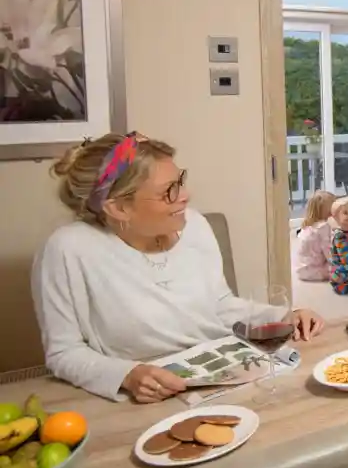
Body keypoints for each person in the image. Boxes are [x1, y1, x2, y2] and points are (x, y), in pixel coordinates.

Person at [31, 132, 327, 403]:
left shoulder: (195, 225)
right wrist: (127, 375)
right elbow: (63, 353)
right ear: (119, 207)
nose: (185, 195)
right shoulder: (68, 250)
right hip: (144, 400)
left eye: (180, 181)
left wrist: (283, 316)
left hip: (219, 375)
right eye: (168, 191)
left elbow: (219, 306)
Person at [295, 190, 336, 281]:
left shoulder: (307, 225)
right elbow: (329, 253)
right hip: (313, 271)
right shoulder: (324, 227)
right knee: (344, 269)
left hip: (301, 268)